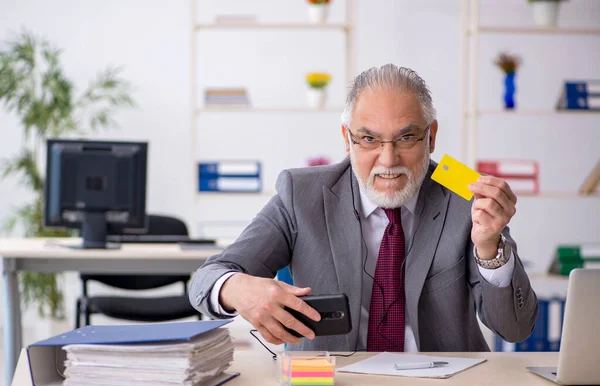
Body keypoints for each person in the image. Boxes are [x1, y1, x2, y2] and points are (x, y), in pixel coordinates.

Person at [189, 64, 538, 352]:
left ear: (431, 137)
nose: (388, 160)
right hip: (331, 384)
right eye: (369, 139)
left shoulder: (465, 194)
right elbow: (206, 279)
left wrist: (489, 247)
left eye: (406, 138)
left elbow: (515, 329)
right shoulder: (302, 193)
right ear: (347, 139)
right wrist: (237, 288)